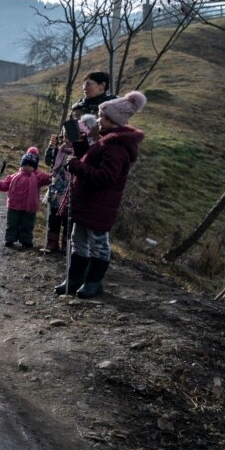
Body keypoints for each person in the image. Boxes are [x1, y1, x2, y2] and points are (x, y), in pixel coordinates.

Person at [55, 91, 147, 298]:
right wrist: (78, 144)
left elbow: (106, 177)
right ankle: (75, 279)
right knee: (77, 240)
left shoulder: (117, 147)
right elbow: (88, 161)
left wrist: (77, 167)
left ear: (115, 120)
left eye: (103, 117)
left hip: (99, 204)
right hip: (87, 201)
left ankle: (93, 282)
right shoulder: (106, 140)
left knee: (98, 243)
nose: (98, 120)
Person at [41, 114, 97, 254]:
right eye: (64, 136)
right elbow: (49, 162)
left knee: (68, 219)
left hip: (70, 190)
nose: (66, 140)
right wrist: (51, 148)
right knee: (53, 217)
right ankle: (52, 242)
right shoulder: (59, 149)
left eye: (69, 137)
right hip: (56, 188)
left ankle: (67, 245)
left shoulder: (81, 153)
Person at [0, 147, 52, 249]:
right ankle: (9, 239)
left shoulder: (38, 177)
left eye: (30, 165)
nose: (27, 167)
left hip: (29, 208)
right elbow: (5, 185)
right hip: (13, 206)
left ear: (34, 167)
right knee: (12, 224)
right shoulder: (14, 176)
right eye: (25, 164)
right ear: (21, 164)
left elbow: (47, 178)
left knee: (27, 225)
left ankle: (26, 241)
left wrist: (53, 174)